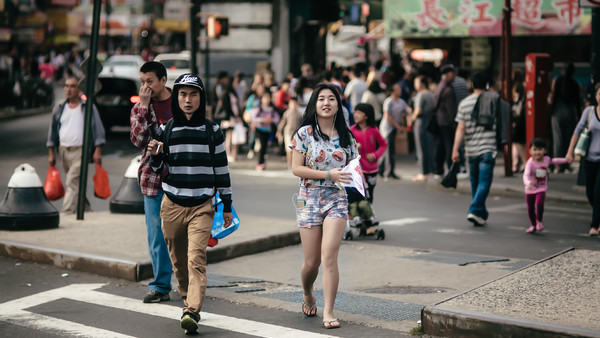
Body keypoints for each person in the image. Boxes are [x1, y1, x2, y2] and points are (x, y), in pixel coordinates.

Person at [147, 73, 233, 334]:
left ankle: (192, 310)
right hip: (171, 205)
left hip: (201, 207)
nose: (187, 100)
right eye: (183, 94)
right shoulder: (166, 130)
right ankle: (187, 297)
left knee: (196, 258)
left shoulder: (212, 131)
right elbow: (158, 168)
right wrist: (155, 156)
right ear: (177, 98)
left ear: (201, 98)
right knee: (179, 261)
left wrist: (226, 205)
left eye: (193, 94)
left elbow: (221, 169)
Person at [290, 83, 358, 329]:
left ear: (338, 105)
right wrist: (329, 174)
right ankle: (308, 291)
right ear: (314, 105)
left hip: (336, 199)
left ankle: (328, 312)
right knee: (312, 263)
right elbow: (296, 169)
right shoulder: (304, 134)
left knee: (329, 256)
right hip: (308, 199)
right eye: (321, 99)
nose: (326, 102)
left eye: (332, 98)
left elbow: (352, 168)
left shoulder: (347, 137)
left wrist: (358, 182)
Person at [130, 61, 173, 303]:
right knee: (156, 234)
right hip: (152, 179)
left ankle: (190, 283)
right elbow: (138, 140)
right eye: (142, 82)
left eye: (150, 82)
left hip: (181, 178)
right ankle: (160, 286)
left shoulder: (181, 100)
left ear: (163, 80)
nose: (145, 86)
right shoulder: (140, 108)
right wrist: (144, 107)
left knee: (184, 234)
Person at [451, 71, 508, 227]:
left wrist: (455, 149)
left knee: (475, 183)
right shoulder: (493, 100)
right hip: (487, 148)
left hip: (471, 150)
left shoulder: (464, 103)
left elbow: (460, 129)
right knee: (484, 182)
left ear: (472, 85)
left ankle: (479, 213)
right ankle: (477, 210)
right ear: (488, 85)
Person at [47, 76, 105, 214]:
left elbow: (98, 129)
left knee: (72, 181)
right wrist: (51, 152)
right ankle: (86, 208)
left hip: (81, 151)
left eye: (73, 86)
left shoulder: (87, 107)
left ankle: (66, 212)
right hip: (63, 151)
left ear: (79, 89)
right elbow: (52, 130)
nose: (69, 89)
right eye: (66, 86)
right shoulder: (59, 108)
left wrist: (97, 150)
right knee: (77, 183)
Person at [566, 85, 600, 236]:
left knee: (599, 192)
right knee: (590, 193)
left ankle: (595, 224)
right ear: (596, 96)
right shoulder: (589, 111)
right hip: (589, 158)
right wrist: (570, 152)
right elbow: (577, 131)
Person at [522, 138, 567, 233]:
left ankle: (539, 221)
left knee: (539, 204)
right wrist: (527, 183)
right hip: (530, 189)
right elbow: (526, 174)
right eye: (534, 149)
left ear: (545, 150)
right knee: (530, 208)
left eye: (540, 149)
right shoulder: (530, 163)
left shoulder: (546, 159)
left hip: (541, 188)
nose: (537, 152)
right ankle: (532, 225)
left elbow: (555, 161)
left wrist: (566, 160)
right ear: (530, 151)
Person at [351, 103, 387, 203]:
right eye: (355, 112)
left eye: (359, 113)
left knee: (369, 193)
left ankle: (369, 215)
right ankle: (360, 215)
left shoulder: (374, 130)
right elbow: (345, 146)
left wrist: (375, 155)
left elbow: (383, 144)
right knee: (357, 194)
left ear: (366, 116)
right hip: (357, 169)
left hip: (372, 169)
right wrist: (354, 146)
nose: (355, 115)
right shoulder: (352, 130)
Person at [550, 63, 581, 172]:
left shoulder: (558, 82)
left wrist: (551, 111)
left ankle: (558, 165)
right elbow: (577, 102)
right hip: (569, 112)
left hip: (557, 112)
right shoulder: (574, 84)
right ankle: (567, 163)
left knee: (557, 139)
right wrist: (579, 116)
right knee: (568, 138)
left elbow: (553, 98)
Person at [378, 83, 410, 180]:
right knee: (388, 151)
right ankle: (388, 172)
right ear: (392, 91)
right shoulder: (389, 101)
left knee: (388, 150)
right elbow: (387, 116)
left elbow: (407, 111)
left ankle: (381, 169)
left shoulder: (401, 101)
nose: (399, 91)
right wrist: (398, 126)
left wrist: (408, 120)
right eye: (397, 89)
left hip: (395, 128)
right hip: (387, 128)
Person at [409, 75, 436, 182]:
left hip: (421, 121)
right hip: (430, 121)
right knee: (430, 146)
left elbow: (418, 110)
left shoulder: (420, 95)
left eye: (416, 83)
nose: (415, 85)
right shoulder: (431, 94)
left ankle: (424, 172)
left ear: (422, 84)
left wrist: (412, 119)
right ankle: (432, 170)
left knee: (421, 147)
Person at [434, 64, 458, 176]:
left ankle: (438, 169)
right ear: (448, 74)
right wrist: (455, 123)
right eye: (453, 73)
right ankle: (451, 169)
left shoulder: (440, 86)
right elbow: (451, 109)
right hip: (447, 121)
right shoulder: (448, 89)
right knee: (449, 146)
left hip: (440, 121)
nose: (455, 76)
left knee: (441, 146)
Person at [251, 92, 280, 170]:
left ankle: (262, 162)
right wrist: (262, 120)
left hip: (267, 130)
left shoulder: (272, 109)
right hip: (259, 129)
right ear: (262, 99)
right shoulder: (259, 108)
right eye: (265, 98)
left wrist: (271, 120)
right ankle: (260, 163)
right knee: (262, 145)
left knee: (264, 147)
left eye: (268, 97)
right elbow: (253, 118)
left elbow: (277, 118)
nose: (267, 99)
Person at [277, 97, 303, 166]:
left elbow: (302, 124)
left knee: (296, 149)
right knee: (289, 149)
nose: (293, 105)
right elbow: (282, 123)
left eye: (294, 104)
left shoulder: (299, 114)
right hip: (288, 133)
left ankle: (295, 163)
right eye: (291, 104)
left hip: (297, 134)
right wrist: (279, 131)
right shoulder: (287, 113)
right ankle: (289, 163)